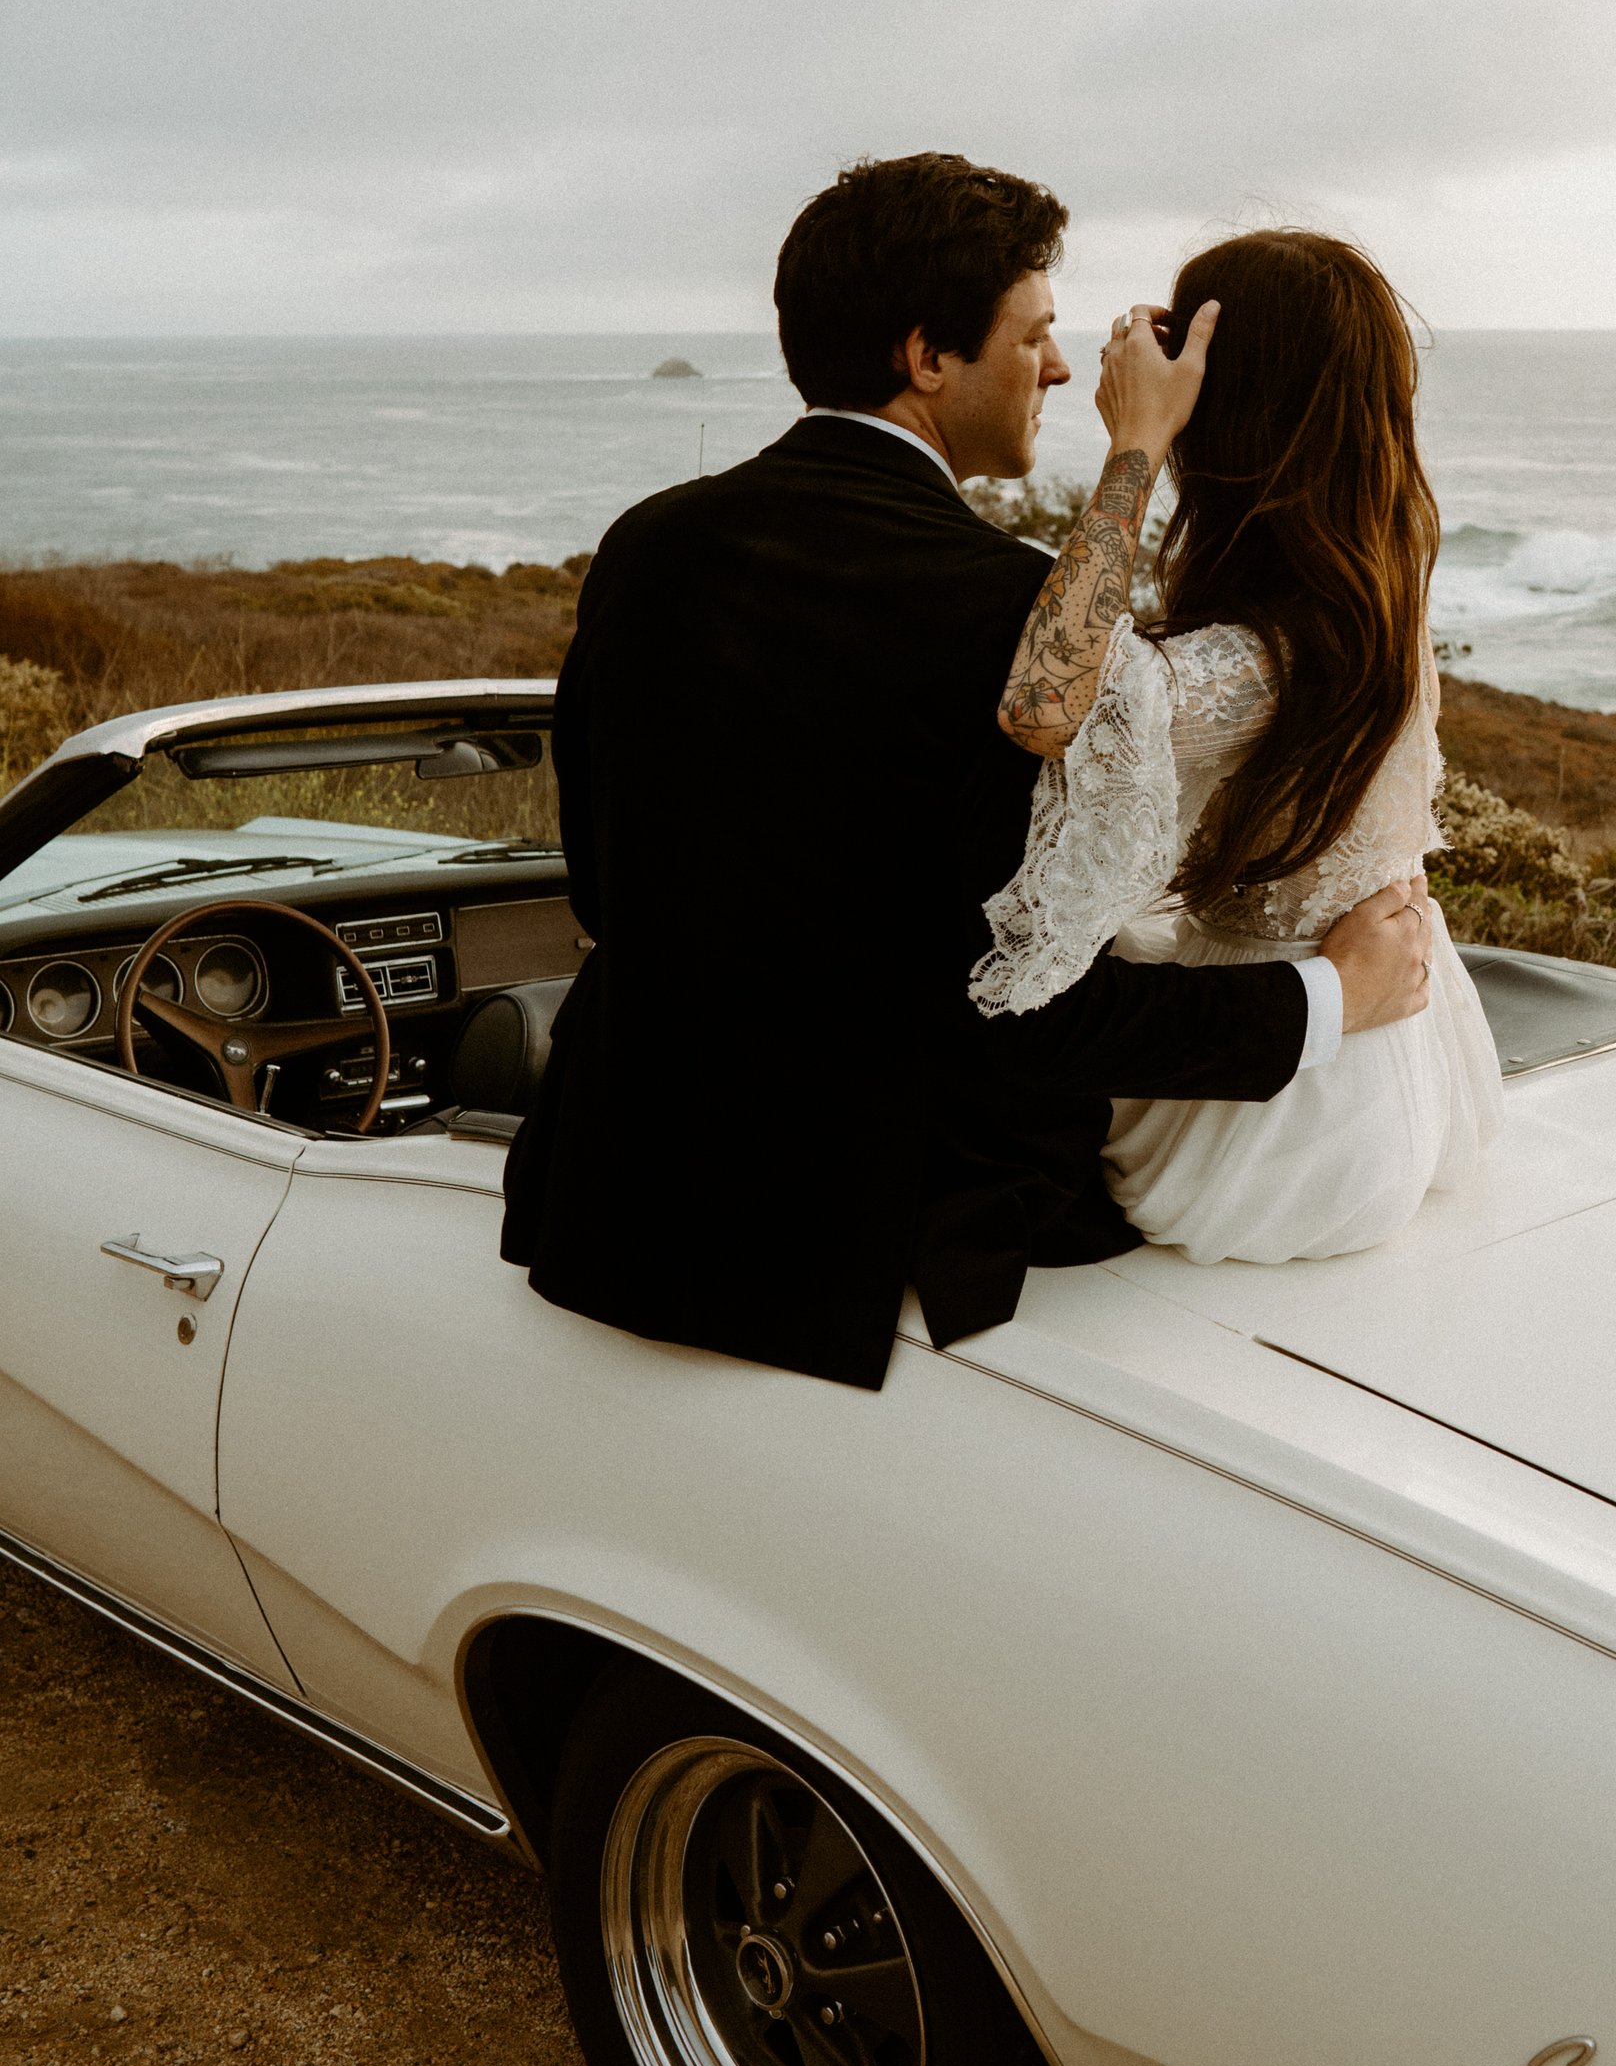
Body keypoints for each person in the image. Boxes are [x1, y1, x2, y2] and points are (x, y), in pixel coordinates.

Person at [500, 155, 1432, 1389]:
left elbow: (616, 893)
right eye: (1038, 336)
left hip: (613, 1196)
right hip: (840, 1250)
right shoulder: (1004, 616)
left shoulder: (648, 544)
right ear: (927, 357)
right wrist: (1333, 1001)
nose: (1059, 370)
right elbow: (1022, 1014)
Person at [971, 229, 1502, 1263]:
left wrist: (1135, 444)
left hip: (1276, 1124)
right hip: (1397, 1057)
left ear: (1231, 403)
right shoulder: (1370, 589)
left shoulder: (1261, 658)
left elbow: (1041, 701)